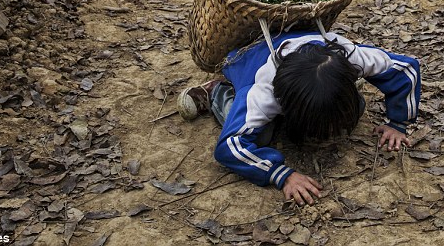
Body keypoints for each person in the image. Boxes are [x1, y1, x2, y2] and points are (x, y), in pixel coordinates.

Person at [177, 28, 421, 205]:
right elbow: (229, 147)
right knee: (262, 137)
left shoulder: (348, 55)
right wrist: (280, 174)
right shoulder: (262, 92)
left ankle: (333, 103)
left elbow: (406, 69)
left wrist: (398, 123)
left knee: (355, 109)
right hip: (245, 65)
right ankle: (216, 92)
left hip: (303, 65)